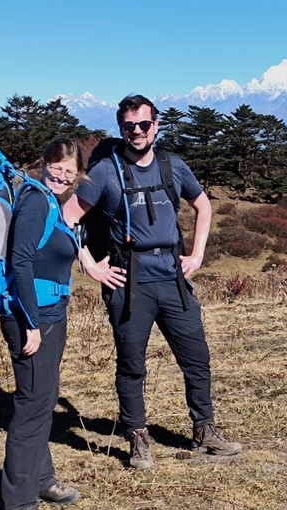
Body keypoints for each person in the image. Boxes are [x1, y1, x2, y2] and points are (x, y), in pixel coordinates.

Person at [62, 94, 241, 470]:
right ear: (121, 129)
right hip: (129, 284)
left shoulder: (173, 166)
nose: (137, 132)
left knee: (197, 359)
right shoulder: (105, 173)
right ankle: (137, 437)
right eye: (129, 126)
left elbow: (203, 205)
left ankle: (204, 430)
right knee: (132, 365)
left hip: (173, 280)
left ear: (156, 126)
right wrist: (91, 267)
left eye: (144, 125)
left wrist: (198, 254)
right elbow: (67, 217)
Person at [0, 139, 83, 510]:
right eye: (57, 167)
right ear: (43, 162)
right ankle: (19, 503)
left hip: (49, 315)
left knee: (43, 400)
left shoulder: (50, 200)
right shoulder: (35, 200)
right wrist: (31, 323)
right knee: (31, 409)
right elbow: (20, 264)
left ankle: (43, 479)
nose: (62, 176)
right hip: (33, 320)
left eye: (70, 170)